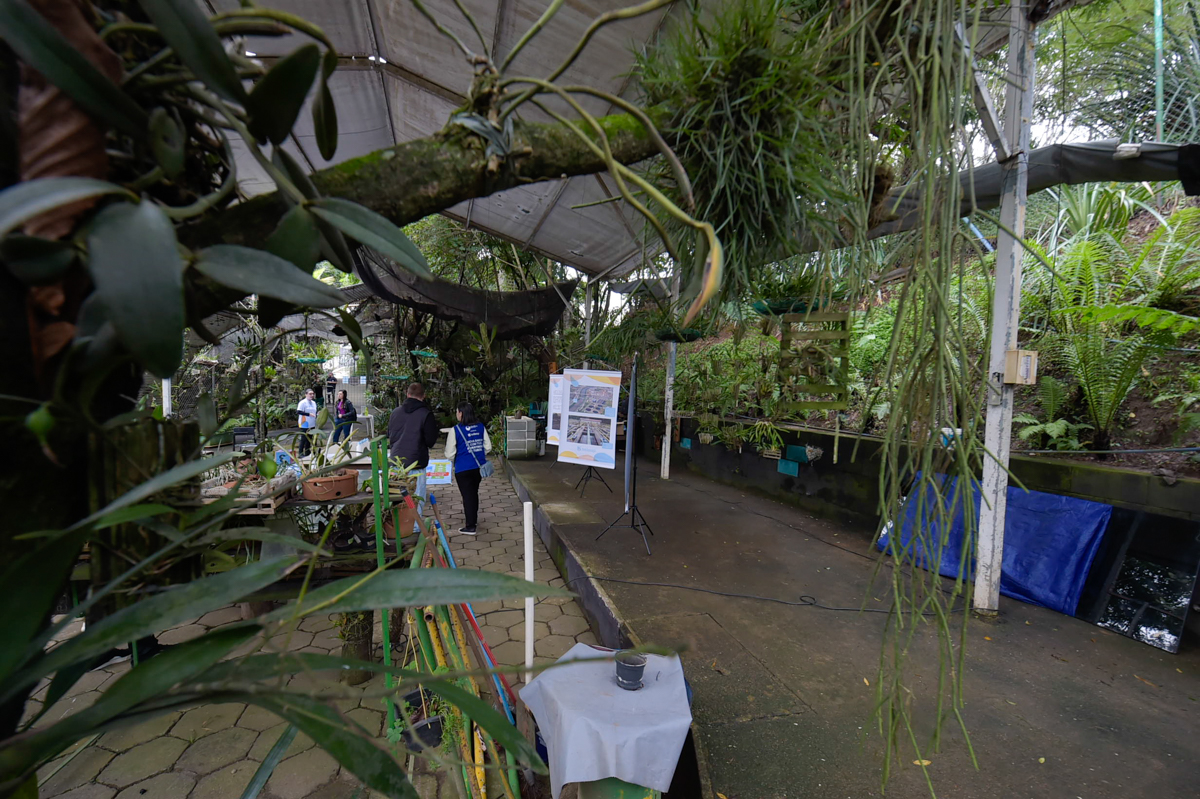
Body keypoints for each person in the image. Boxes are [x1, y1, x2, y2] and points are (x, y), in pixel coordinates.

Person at [388, 382, 440, 530]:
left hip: (396, 463)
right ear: (423, 396)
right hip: (416, 464)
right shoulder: (426, 414)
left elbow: (390, 436)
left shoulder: (395, 412)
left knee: (397, 501)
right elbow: (430, 441)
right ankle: (414, 531)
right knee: (416, 501)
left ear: (407, 394)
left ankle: (397, 530)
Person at [444, 402, 492, 535]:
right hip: (478, 468)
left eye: (457, 412)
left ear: (461, 413)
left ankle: (470, 526)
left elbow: (449, 454)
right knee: (473, 493)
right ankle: (473, 520)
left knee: (468, 496)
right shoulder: (480, 427)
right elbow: (488, 447)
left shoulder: (455, 430)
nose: (456, 414)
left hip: (462, 469)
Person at [296, 388, 318, 457]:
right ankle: (300, 453)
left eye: (312, 394)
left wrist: (317, 414)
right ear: (306, 394)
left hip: (312, 423)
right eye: (310, 394)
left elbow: (314, 412)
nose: (311, 395)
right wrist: (308, 414)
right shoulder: (302, 402)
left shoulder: (313, 403)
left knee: (309, 438)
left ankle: (307, 452)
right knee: (304, 438)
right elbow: (298, 411)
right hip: (304, 423)